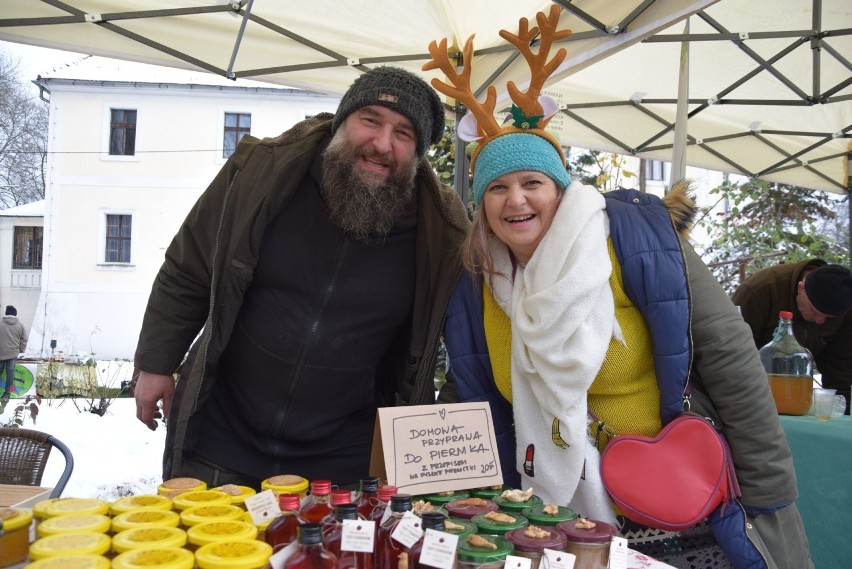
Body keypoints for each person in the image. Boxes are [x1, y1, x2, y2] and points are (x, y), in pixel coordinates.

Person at [433, 8, 812, 569]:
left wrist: (769, 494)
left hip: (672, 504)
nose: (517, 201)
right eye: (499, 188)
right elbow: (470, 389)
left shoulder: (636, 242)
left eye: (533, 183)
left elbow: (731, 360)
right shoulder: (478, 282)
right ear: (482, 205)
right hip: (550, 517)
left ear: (559, 192)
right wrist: (435, 464)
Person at [132, 66, 469, 488]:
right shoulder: (261, 172)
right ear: (342, 121)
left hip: (343, 465)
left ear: (418, 153)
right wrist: (156, 363)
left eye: (404, 134)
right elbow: (188, 267)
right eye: (371, 120)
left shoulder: (443, 229)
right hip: (221, 443)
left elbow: (469, 340)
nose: (383, 144)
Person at [732, 260, 852, 409]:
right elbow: (732, 352)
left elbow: (840, 366)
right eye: (814, 311)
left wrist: (842, 409)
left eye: (828, 318)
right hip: (748, 391)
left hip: (796, 400)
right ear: (800, 288)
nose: (820, 321)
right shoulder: (760, 290)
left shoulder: (845, 306)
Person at [1, 305, 28, 398]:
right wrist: (21, 350)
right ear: (15, 314)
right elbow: (24, 340)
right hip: (13, 354)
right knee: (10, 373)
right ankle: (6, 394)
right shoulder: (20, 325)